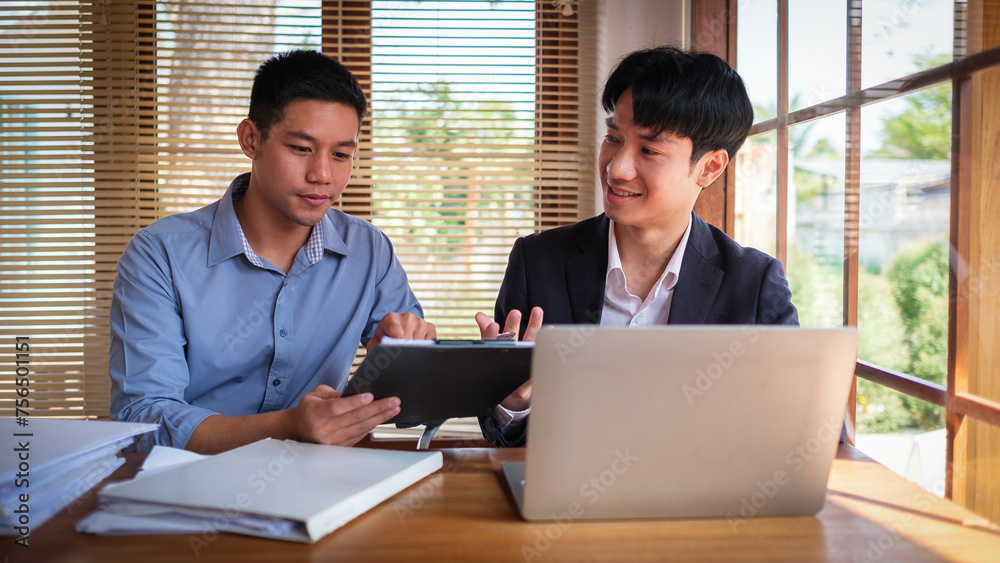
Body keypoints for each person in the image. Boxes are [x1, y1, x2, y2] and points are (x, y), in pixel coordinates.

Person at [109, 50, 435, 454]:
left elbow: (413, 409)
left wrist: (406, 362)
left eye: (341, 154)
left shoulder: (369, 250)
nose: (323, 175)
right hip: (188, 485)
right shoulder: (159, 254)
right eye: (301, 148)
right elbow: (143, 417)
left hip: (325, 486)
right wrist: (287, 426)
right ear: (251, 139)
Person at [475, 46, 799, 447]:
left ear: (709, 168)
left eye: (648, 150)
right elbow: (498, 432)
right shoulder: (537, 261)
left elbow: (806, 429)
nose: (616, 168)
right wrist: (510, 404)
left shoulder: (754, 283)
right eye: (613, 138)